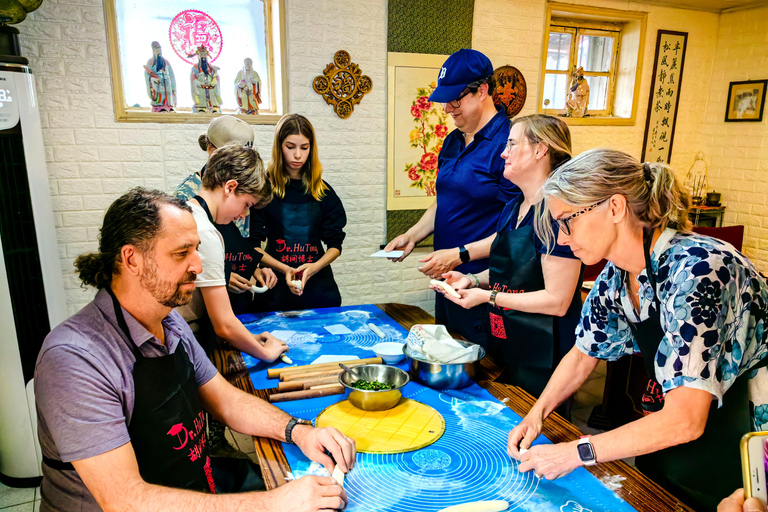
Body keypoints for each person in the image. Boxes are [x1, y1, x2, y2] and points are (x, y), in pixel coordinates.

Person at [34, 188, 353, 512]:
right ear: (132, 259)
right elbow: (124, 500)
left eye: (197, 250)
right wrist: (273, 503)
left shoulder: (170, 322)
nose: (198, 266)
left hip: (192, 484)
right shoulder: (74, 360)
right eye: (181, 252)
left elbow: (226, 401)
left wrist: (299, 432)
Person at [506, 148, 768, 512]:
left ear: (614, 207)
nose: (562, 239)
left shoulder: (699, 271)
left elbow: (687, 419)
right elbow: (583, 354)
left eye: (568, 221)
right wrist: (536, 414)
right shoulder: (615, 277)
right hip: (669, 436)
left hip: (744, 443)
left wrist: (577, 452)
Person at [431, 115, 582, 398]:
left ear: (540, 150)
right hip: (508, 339)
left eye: (512, 144)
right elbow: (512, 270)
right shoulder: (514, 207)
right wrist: (471, 280)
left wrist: (487, 298)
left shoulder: (559, 213)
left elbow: (557, 301)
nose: (503, 153)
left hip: (545, 352)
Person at [384, 48, 519, 346]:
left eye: (455, 100)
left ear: (482, 91)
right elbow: (445, 200)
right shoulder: (452, 140)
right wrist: (413, 234)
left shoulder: (508, 144)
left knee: (482, 370)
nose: (447, 109)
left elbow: (514, 232)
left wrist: (460, 254)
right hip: (447, 281)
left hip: (481, 285)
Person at [176, 143, 286, 361]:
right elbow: (224, 325)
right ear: (229, 187)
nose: (243, 214)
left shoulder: (187, 211)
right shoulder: (206, 233)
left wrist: (248, 338)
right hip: (179, 342)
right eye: (246, 204)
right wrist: (266, 352)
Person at [176, 115, 278, 316]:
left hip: (240, 298)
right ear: (212, 151)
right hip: (206, 300)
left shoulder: (243, 191)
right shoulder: (188, 198)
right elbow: (184, 263)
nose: (242, 214)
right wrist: (222, 274)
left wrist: (254, 268)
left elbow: (243, 243)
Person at [250, 114, 347, 311]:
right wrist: (286, 270)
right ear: (279, 147)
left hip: (318, 286)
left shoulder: (323, 192)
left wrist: (313, 268)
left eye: (304, 148)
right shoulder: (263, 190)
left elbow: (335, 244)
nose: (297, 155)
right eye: (290, 147)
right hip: (275, 285)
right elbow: (251, 245)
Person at [144, 41, 176, 112]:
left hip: (167, 84)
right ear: (153, 50)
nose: (158, 50)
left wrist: (173, 89)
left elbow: (171, 76)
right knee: (159, 95)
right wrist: (153, 78)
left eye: (159, 48)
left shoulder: (166, 62)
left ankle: (169, 107)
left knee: (168, 95)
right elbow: (147, 75)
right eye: (156, 48)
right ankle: (159, 106)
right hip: (158, 85)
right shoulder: (150, 62)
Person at [190, 45, 222, 113]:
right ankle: (201, 108)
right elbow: (193, 76)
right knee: (201, 96)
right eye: (201, 54)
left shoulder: (210, 66)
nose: (203, 56)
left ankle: (215, 108)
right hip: (201, 86)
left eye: (204, 54)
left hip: (210, 85)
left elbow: (215, 75)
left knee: (212, 96)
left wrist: (215, 80)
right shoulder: (196, 66)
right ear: (198, 56)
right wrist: (196, 82)